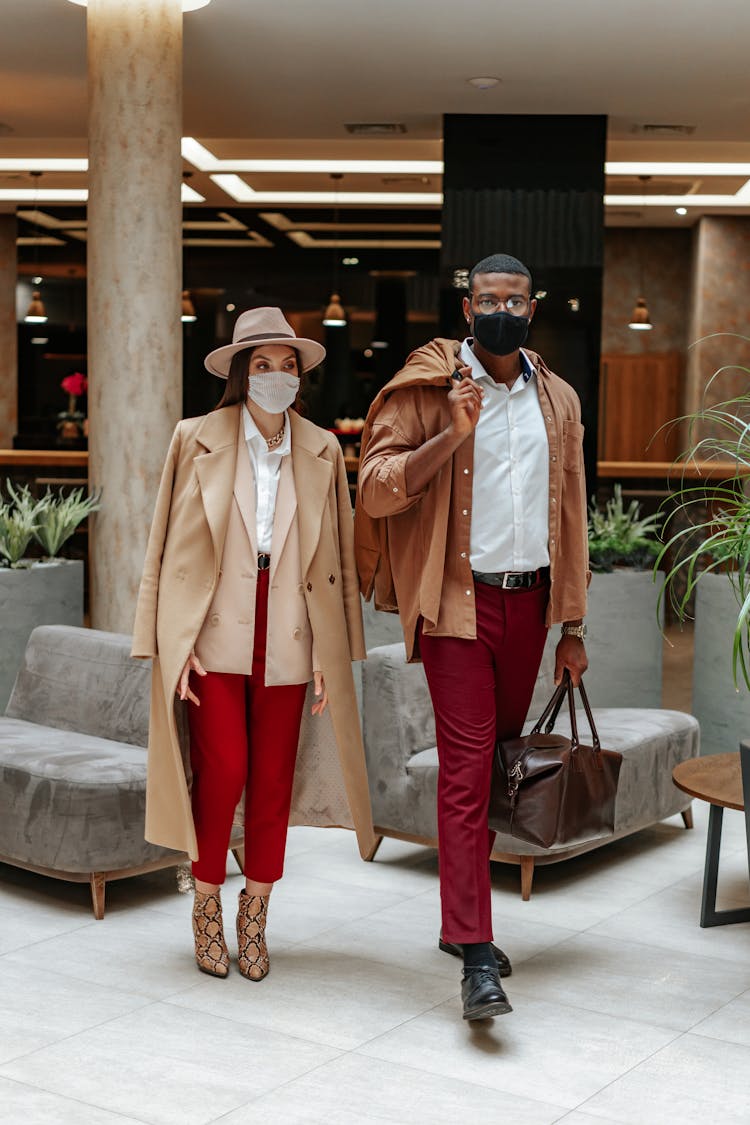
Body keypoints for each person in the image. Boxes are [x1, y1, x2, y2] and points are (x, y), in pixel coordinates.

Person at [355, 253, 589, 1021]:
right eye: (487, 300)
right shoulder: (428, 387)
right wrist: (452, 434)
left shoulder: (556, 399)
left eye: (514, 301)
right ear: (466, 311)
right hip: (457, 607)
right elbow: (377, 485)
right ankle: (476, 952)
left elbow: (572, 517)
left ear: (533, 307)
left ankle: (463, 927)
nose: (501, 311)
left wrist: (573, 625)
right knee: (464, 772)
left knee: (496, 772)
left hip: (529, 606)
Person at [132, 306, 375, 981]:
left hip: (293, 629)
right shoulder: (195, 437)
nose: (276, 376)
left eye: (287, 364)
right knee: (223, 773)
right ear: (241, 373)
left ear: (301, 375)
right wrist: (165, 644)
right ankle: (205, 902)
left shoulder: (323, 448)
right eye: (262, 365)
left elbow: (339, 557)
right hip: (214, 631)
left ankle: (256, 914)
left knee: (272, 781)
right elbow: (161, 550)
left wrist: (335, 651)